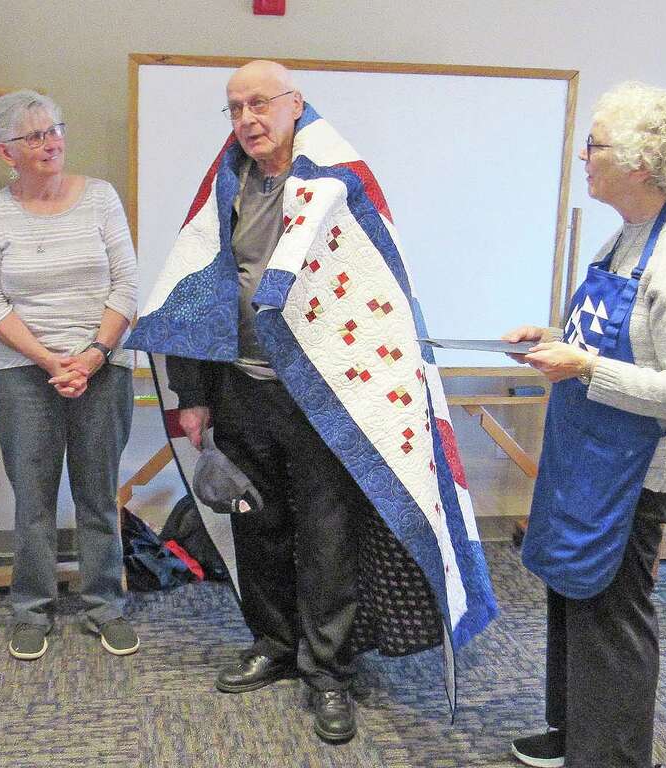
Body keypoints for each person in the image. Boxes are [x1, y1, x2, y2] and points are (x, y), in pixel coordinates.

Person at [124, 60, 496, 744]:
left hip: (323, 396)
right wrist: (195, 397)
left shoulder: (339, 184)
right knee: (254, 522)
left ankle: (327, 669)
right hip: (241, 386)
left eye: (259, 103)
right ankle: (273, 640)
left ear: (296, 104)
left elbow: (371, 294)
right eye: (234, 108)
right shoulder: (226, 185)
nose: (246, 119)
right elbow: (199, 292)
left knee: (326, 537)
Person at [504, 82, 666, 768]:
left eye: (596, 145)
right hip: (591, 453)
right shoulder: (635, 228)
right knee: (574, 594)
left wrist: (582, 367)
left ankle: (610, 755)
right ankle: (572, 733)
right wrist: (556, 337)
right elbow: (628, 338)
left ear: (641, 163)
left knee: (613, 614)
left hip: (638, 467)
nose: (585, 155)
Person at [0, 90, 139, 660]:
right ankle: (31, 609)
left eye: (55, 130)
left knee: (98, 496)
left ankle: (104, 606)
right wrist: (50, 361)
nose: (50, 143)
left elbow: (127, 287)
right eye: (34, 136)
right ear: (5, 152)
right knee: (34, 501)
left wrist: (91, 357)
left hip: (103, 368)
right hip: (24, 374)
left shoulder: (100, 198)